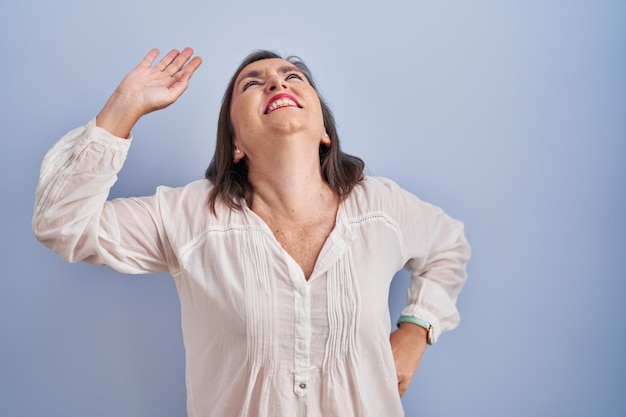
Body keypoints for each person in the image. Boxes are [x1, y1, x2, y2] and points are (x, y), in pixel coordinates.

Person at [33, 47, 470, 417]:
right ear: (235, 141)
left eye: (292, 76)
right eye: (252, 83)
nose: (277, 83)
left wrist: (416, 329)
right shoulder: (189, 217)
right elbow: (61, 224)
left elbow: (449, 245)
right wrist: (122, 108)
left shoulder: (380, 207)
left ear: (324, 132)